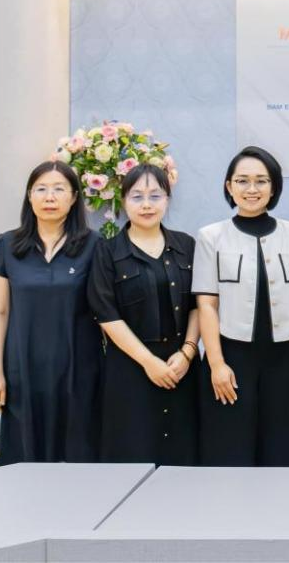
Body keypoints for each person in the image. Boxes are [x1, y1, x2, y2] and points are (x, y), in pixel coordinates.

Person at [191, 146, 289, 466]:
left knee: (278, 447)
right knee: (229, 446)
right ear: (229, 186)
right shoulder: (211, 236)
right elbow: (206, 304)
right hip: (232, 356)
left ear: (274, 187)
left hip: (281, 358)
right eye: (242, 181)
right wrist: (216, 364)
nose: (252, 189)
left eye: (261, 180)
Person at [0, 161, 100, 465]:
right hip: (23, 369)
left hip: (78, 371)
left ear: (74, 197)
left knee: (78, 457)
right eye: (41, 189)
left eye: (59, 189)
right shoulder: (8, 244)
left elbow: (105, 313)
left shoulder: (94, 245)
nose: (50, 197)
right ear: (29, 196)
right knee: (24, 457)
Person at [88, 164, 200, 465]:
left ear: (168, 199)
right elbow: (106, 314)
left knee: (184, 458)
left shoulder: (186, 245)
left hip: (182, 368)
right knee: (132, 455)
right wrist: (149, 363)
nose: (147, 205)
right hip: (130, 369)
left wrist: (187, 353)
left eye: (155, 196)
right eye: (137, 197)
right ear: (123, 201)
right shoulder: (106, 251)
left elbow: (199, 305)